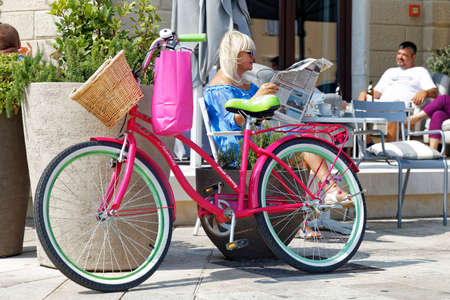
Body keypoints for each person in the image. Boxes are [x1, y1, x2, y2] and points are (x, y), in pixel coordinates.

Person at [203, 31, 351, 238]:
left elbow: (262, 114)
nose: (254, 57)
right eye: (249, 52)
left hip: (255, 142)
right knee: (299, 144)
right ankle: (326, 192)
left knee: (299, 143)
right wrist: (258, 96)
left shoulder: (244, 83)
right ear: (235, 54)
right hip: (239, 150)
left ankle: (302, 215)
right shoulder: (218, 88)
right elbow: (235, 122)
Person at [357, 41, 437, 141]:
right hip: (381, 106)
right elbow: (376, 93)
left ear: (413, 57)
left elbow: (434, 92)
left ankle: (390, 149)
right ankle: (366, 140)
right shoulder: (390, 71)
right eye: (399, 53)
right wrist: (367, 93)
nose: (400, 57)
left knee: (394, 108)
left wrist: (425, 92)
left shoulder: (420, 71)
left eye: (404, 55)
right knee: (362, 95)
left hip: (401, 109)